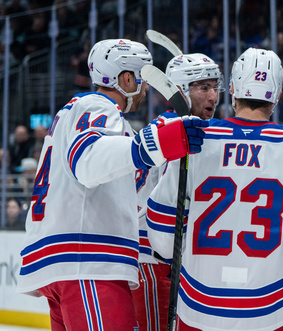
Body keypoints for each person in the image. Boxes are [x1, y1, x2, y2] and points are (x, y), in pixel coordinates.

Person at [16, 38, 208, 331]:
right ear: (126, 78)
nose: (146, 89)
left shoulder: (81, 114)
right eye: (142, 80)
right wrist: (153, 145)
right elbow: (87, 160)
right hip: (87, 261)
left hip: (67, 261)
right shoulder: (97, 106)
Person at [146, 48, 283, 331]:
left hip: (199, 307)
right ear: (277, 95)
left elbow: (164, 239)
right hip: (277, 309)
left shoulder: (194, 139)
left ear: (233, 89)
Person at [133, 52, 223, 331]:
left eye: (215, 87)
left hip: (171, 261)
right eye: (203, 87)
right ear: (182, 90)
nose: (213, 97)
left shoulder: (180, 128)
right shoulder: (170, 131)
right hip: (154, 260)